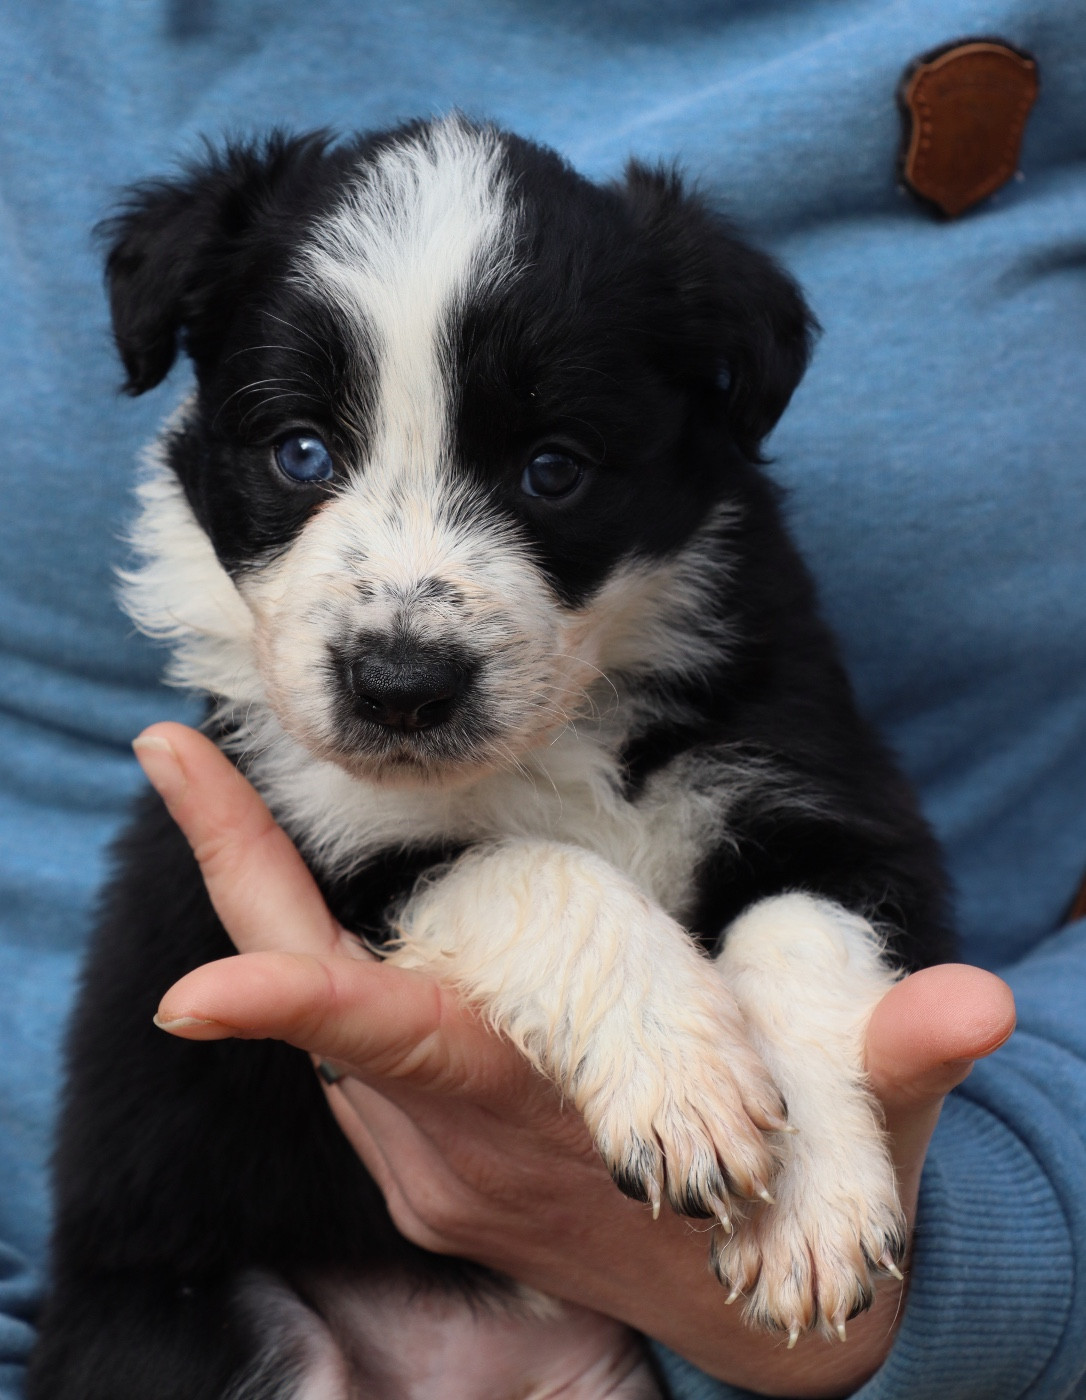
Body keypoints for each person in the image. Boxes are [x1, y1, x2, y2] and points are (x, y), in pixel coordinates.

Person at [1, 2, 1084, 1396]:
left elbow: (837, 875)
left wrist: (828, 1104)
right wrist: (592, 966)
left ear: (700, 432)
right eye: (304, 448)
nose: (402, 630)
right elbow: (390, 904)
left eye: (549, 471)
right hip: (226, 1312)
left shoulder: (740, 650)